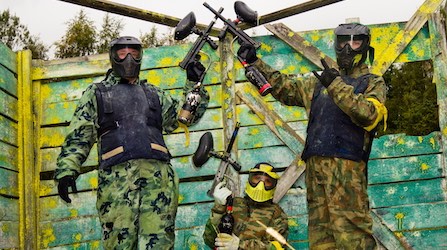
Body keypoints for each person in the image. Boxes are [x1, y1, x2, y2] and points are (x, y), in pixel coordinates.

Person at [237, 23, 388, 249]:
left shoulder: (372, 82)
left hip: (346, 172)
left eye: (356, 42)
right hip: (315, 170)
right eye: (344, 42)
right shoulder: (318, 84)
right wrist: (254, 62)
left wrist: (335, 84)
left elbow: (368, 114)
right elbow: (284, 87)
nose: (349, 48)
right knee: (321, 238)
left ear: (365, 46)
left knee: (353, 237)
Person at [54, 36, 209, 249]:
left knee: (159, 244)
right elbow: (80, 134)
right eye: (122, 53)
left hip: (158, 185)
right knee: (119, 244)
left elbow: (183, 118)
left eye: (134, 53)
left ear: (141, 57)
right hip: (117, 186)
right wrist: (66, 171)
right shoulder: (97, 93)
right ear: (113, 56)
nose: (129, 58)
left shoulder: (154, 94)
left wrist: (195, 83)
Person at [203, 162, 288, 249]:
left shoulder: (276, 214)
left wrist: (240, 246)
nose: (260, 185)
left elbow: (278, 247)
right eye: (257, 179)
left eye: (267, 182)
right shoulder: (233, 204)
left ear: (273, 186)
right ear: (249, 180)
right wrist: (218, 209)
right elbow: (209, 240)